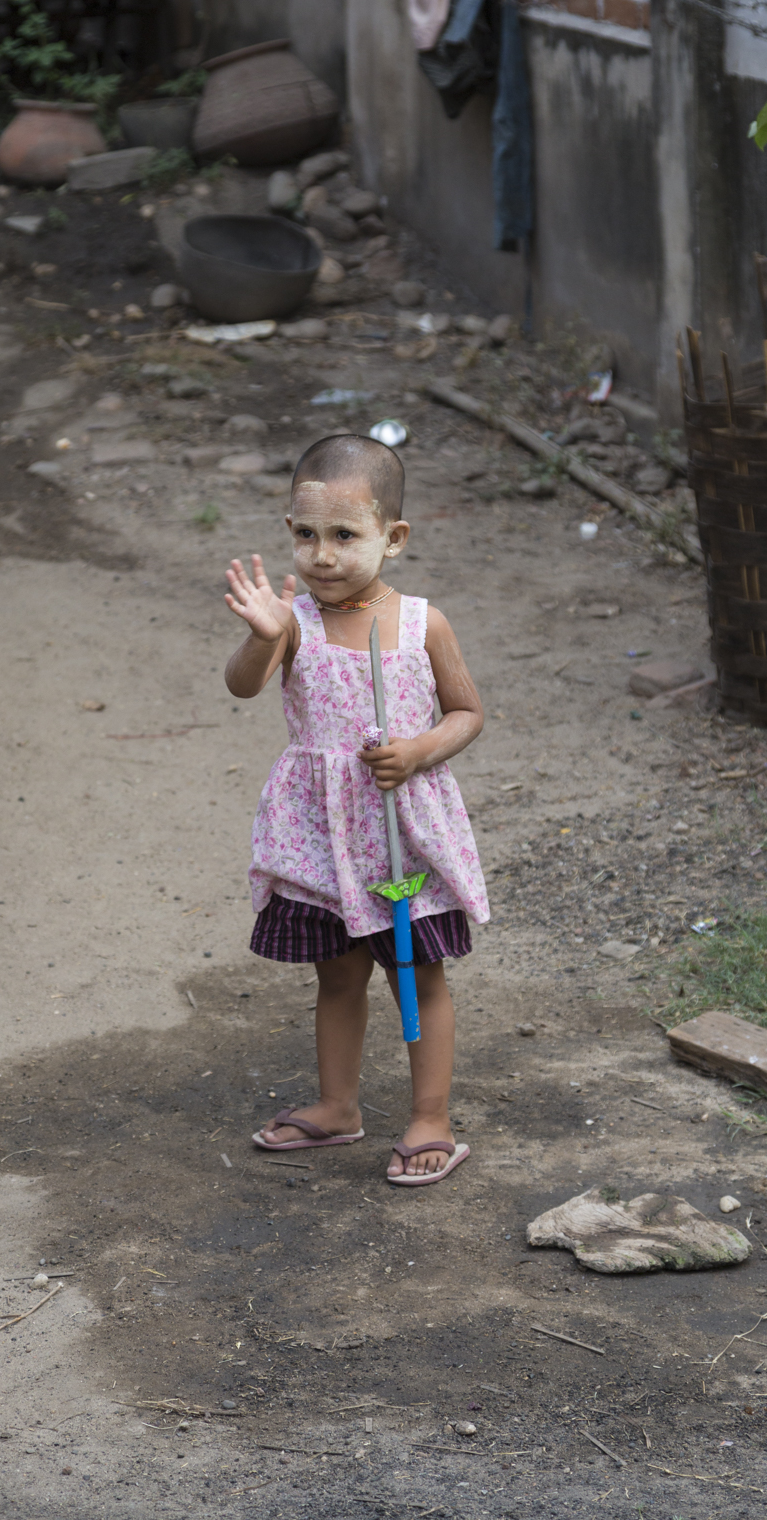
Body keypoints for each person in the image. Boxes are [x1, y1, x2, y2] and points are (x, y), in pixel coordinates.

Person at [223, 433, 489, 1187]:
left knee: (417, 973)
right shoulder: (292, 621)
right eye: (307, 535)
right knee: (336, 975)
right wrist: (263, 636)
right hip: (320, 834)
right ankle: (338, 1106)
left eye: (345, 535)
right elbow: (242, 685)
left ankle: (431, 1117)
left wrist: (420, 750)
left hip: (403, 830)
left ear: (393, 538)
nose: (322, 554)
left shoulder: (424, 624)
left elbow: (467, 713)